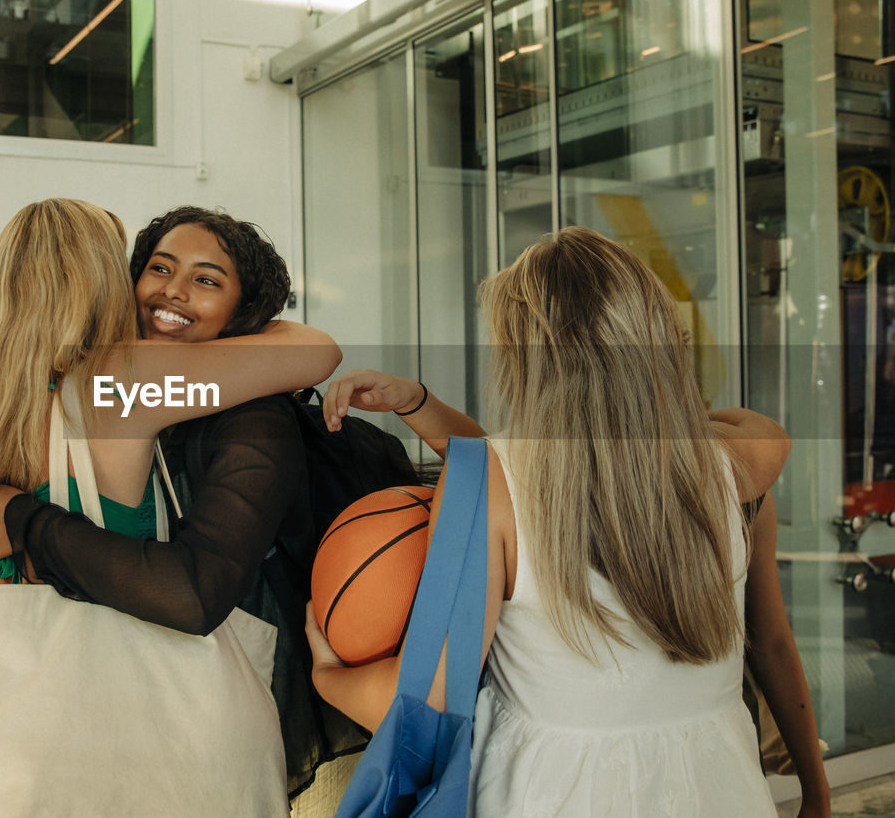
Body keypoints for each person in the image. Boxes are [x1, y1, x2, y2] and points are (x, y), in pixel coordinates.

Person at [305, 226, 830, 817]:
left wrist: (325, 672)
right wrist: (817, 792)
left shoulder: (491, 484)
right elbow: (775, 642)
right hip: (722, 784)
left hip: (553, 792)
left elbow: (426, 702)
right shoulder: (735, 473)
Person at [0, 199, 341, 815]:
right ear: (105, 279)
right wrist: (243, 320)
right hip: (155, 742)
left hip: (7, 752)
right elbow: (316, 350)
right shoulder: (127, 379)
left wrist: (14, 679)